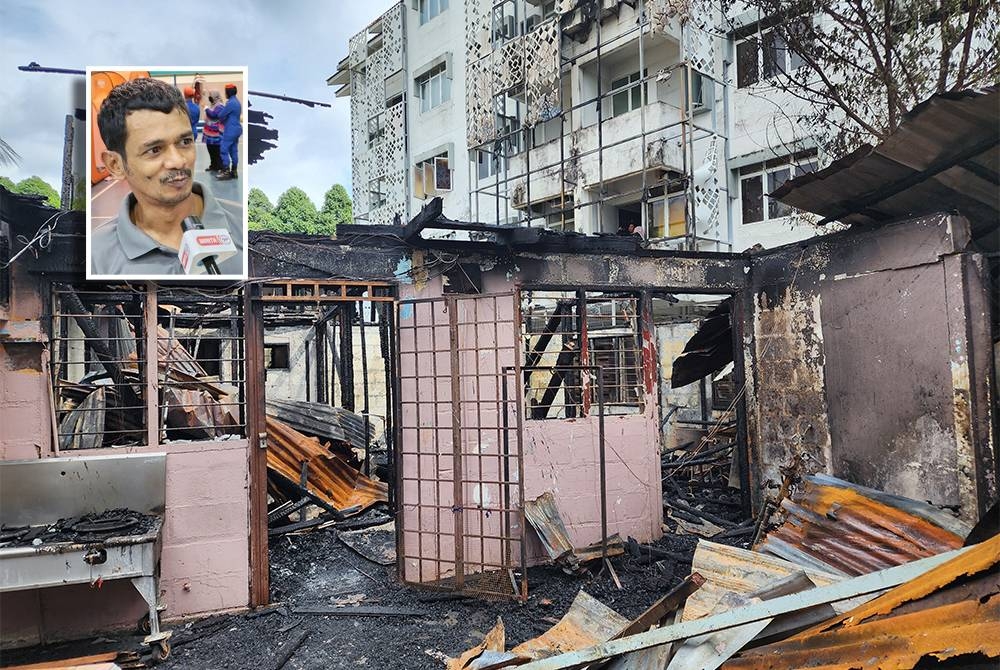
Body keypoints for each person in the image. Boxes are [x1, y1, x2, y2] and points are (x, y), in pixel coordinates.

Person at [91, 77, 243, 276]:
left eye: (185, 141)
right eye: (154, 150)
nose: (178, 161)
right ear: (115, 164)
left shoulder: (245, 229)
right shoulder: (96, 257)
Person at [214, 83, 243, 181]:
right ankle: (234, 171)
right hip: (237, 129)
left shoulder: (230, 103)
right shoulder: (237, 102)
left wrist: (217, 111)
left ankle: (226, 171)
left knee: (223, 149)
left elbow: (221, 115)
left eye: (225, 91)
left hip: (231, 129)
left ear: (228, 92)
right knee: (233, 150)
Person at [202, 91, 225, 172]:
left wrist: (206, 108)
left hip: (216, 134)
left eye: (211, 96)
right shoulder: (212, 105)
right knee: (211, 150)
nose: (210, 98)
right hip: (209, 134)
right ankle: (213, 166)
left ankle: (220, 167)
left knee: (217, 151)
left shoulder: (220, 106)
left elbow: (213, 115)